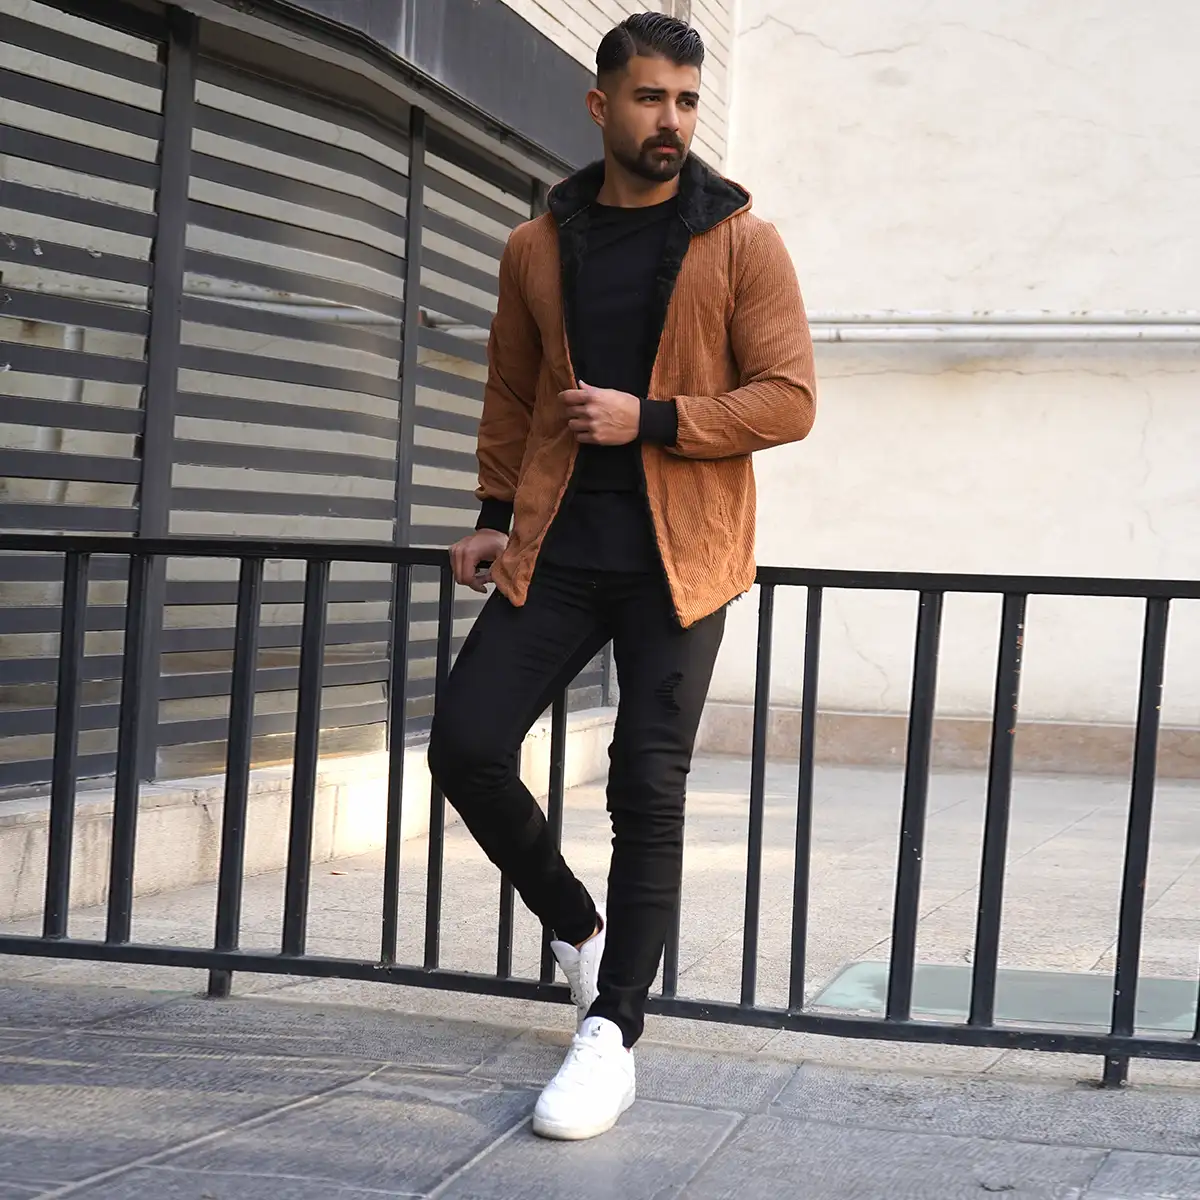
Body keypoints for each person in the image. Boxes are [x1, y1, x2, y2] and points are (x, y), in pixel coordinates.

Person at [427, 11, 815, 1141]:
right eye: (651, 98)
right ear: (602, 106)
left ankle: (613, 1032)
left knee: (647, 787)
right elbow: (512, 391)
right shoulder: (536, 245)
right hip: (556, 549)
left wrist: (649, 418)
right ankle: (578, 930)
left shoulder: (742, 240)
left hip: (679, 563)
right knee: (465, 743)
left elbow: (789, 398)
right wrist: (493, 515)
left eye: (687, 101)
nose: (672, 121)